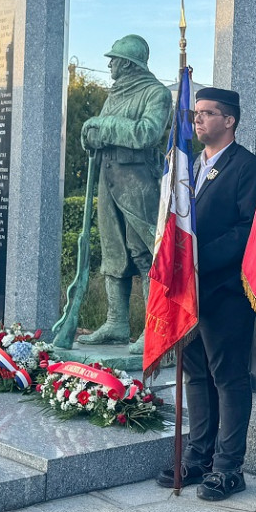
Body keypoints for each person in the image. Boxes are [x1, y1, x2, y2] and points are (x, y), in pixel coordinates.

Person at [154, 87, 256, 500]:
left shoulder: (246, 168)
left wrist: (196, 259)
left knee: (229, 377)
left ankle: (228, 466)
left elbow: (247, 229)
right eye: (195, 113)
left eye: (207, 113)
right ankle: (199, 457)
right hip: (189, 295)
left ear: (229, 120)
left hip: (224, 291)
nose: (197, 120)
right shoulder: (187, 166)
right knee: (196, 373)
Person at [76, 34, 172, 355]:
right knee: (113, 252)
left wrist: (102, 125)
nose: (109, 64)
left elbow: (147, 132)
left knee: (146, 253)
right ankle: (116, 322)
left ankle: (154, 325)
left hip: (139, 183)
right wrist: (91, 135)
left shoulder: (155, 93)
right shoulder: (115, 93)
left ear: (128, 65)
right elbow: (98, 133)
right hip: (109, 180)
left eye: (114, 59)